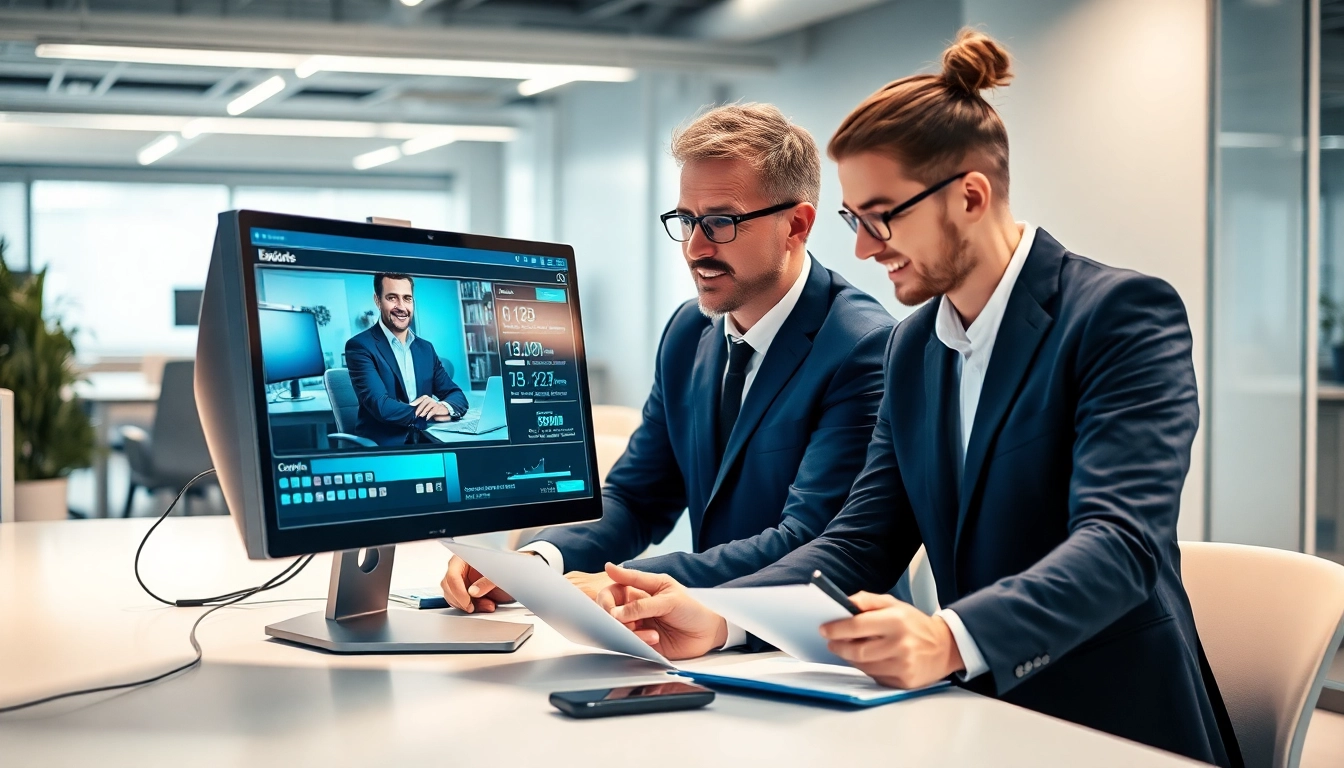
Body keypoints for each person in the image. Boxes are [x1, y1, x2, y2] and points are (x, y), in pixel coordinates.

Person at [595, 30, 1240, 768]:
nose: (865, 250)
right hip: (967, 714)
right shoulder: (914, 347)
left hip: (1112, 723)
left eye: (882, 216)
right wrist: (721, 615)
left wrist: (948, 636)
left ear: (970, 195)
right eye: (854, 221)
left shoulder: (1117, 314)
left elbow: (1120, 545)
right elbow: (860, 541)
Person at [442, 104, 895, 612]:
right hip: (708, 635)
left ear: (796, 225)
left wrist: (623, 582)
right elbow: (636, 498)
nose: (695, 248)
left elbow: (807, 540)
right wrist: (540, 561)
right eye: (686, 220)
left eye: (720, 222)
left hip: (820, 641)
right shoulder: (689, 332)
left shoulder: (862, 347)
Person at [345, 272, 470, 446]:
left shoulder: (426, 348)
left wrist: (444, 407)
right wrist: (429, 413)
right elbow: (382, 407)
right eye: (392, 298)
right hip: (386, 445)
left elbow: (457, 396)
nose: (401, 306)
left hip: (428, 441)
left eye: (407, 298)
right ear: (377, 300)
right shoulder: (360, 346)